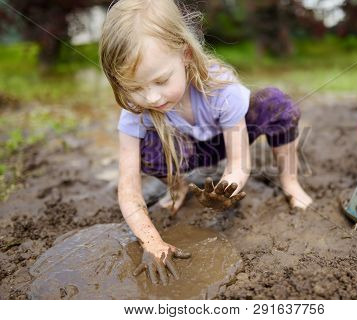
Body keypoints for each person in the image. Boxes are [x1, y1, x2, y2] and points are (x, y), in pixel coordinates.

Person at [99, 0, 313, 285]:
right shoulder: (136, 115)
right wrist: (151, 241)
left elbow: (238, 164)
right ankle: (177, 186)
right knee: (144, 148)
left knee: (278, 105)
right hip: (183, 151)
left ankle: (290, 182)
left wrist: (227, 189)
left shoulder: (220, 88)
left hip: (227, 139)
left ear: (185, 54)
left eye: (161, 81)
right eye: (135, 88)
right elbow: (127, 189)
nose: (151, 98)